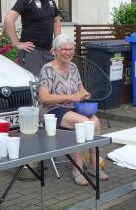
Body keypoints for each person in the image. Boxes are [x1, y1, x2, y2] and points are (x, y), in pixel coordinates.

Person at [38, 34, 108, 186]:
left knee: (95, 121)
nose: (68, 52)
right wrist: (70, 96)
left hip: (72, 108)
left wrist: (84, 94)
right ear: (56, 51)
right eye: (64, 49)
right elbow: (43, 98)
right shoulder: (48, 69)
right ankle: (77, 168)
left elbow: (81, 90)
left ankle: (93, 164)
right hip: (52, 110)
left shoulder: (74, 67)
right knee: (83, 123)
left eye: (71, 49)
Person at [4, 0, 63, 79]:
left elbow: (56, 20)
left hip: (49, 51)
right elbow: (8, 20)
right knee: (34, 84)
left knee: (50, 82)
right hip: (31, 52)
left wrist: (57, 43)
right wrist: (17, 43)